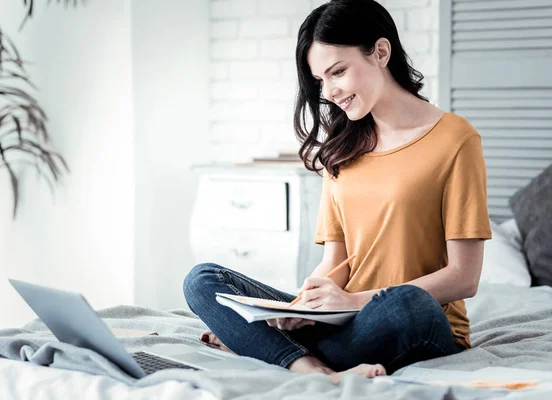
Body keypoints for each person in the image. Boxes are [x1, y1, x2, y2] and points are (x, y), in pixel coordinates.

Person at [183, 0, 492, 383]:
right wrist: (305, 303)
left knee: (406, 305)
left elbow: (465, 277)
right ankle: (310, 365)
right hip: (342, 320)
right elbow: (337, 262)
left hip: (414, 321)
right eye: (320, 81)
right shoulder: (341, 148)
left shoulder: (456, 139)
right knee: (202, 279)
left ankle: (262, 345)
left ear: (380, 52)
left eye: (338, 72)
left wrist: (355, 301)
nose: (329, 92)